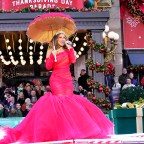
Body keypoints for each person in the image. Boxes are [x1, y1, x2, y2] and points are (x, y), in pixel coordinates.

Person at [0, 31, 113, 143]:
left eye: (64, 37)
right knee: (59, 102)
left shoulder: (68, 49)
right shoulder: (51, 50)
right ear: (56, 39)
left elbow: (73, 60)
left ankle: (72, 130)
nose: (63, 39)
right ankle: (59, 132)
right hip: (57, 79)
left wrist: (70, 48)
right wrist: (50, 56)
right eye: (60, 37)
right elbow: (49, 67)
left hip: (67, 79)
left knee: (70, 102)